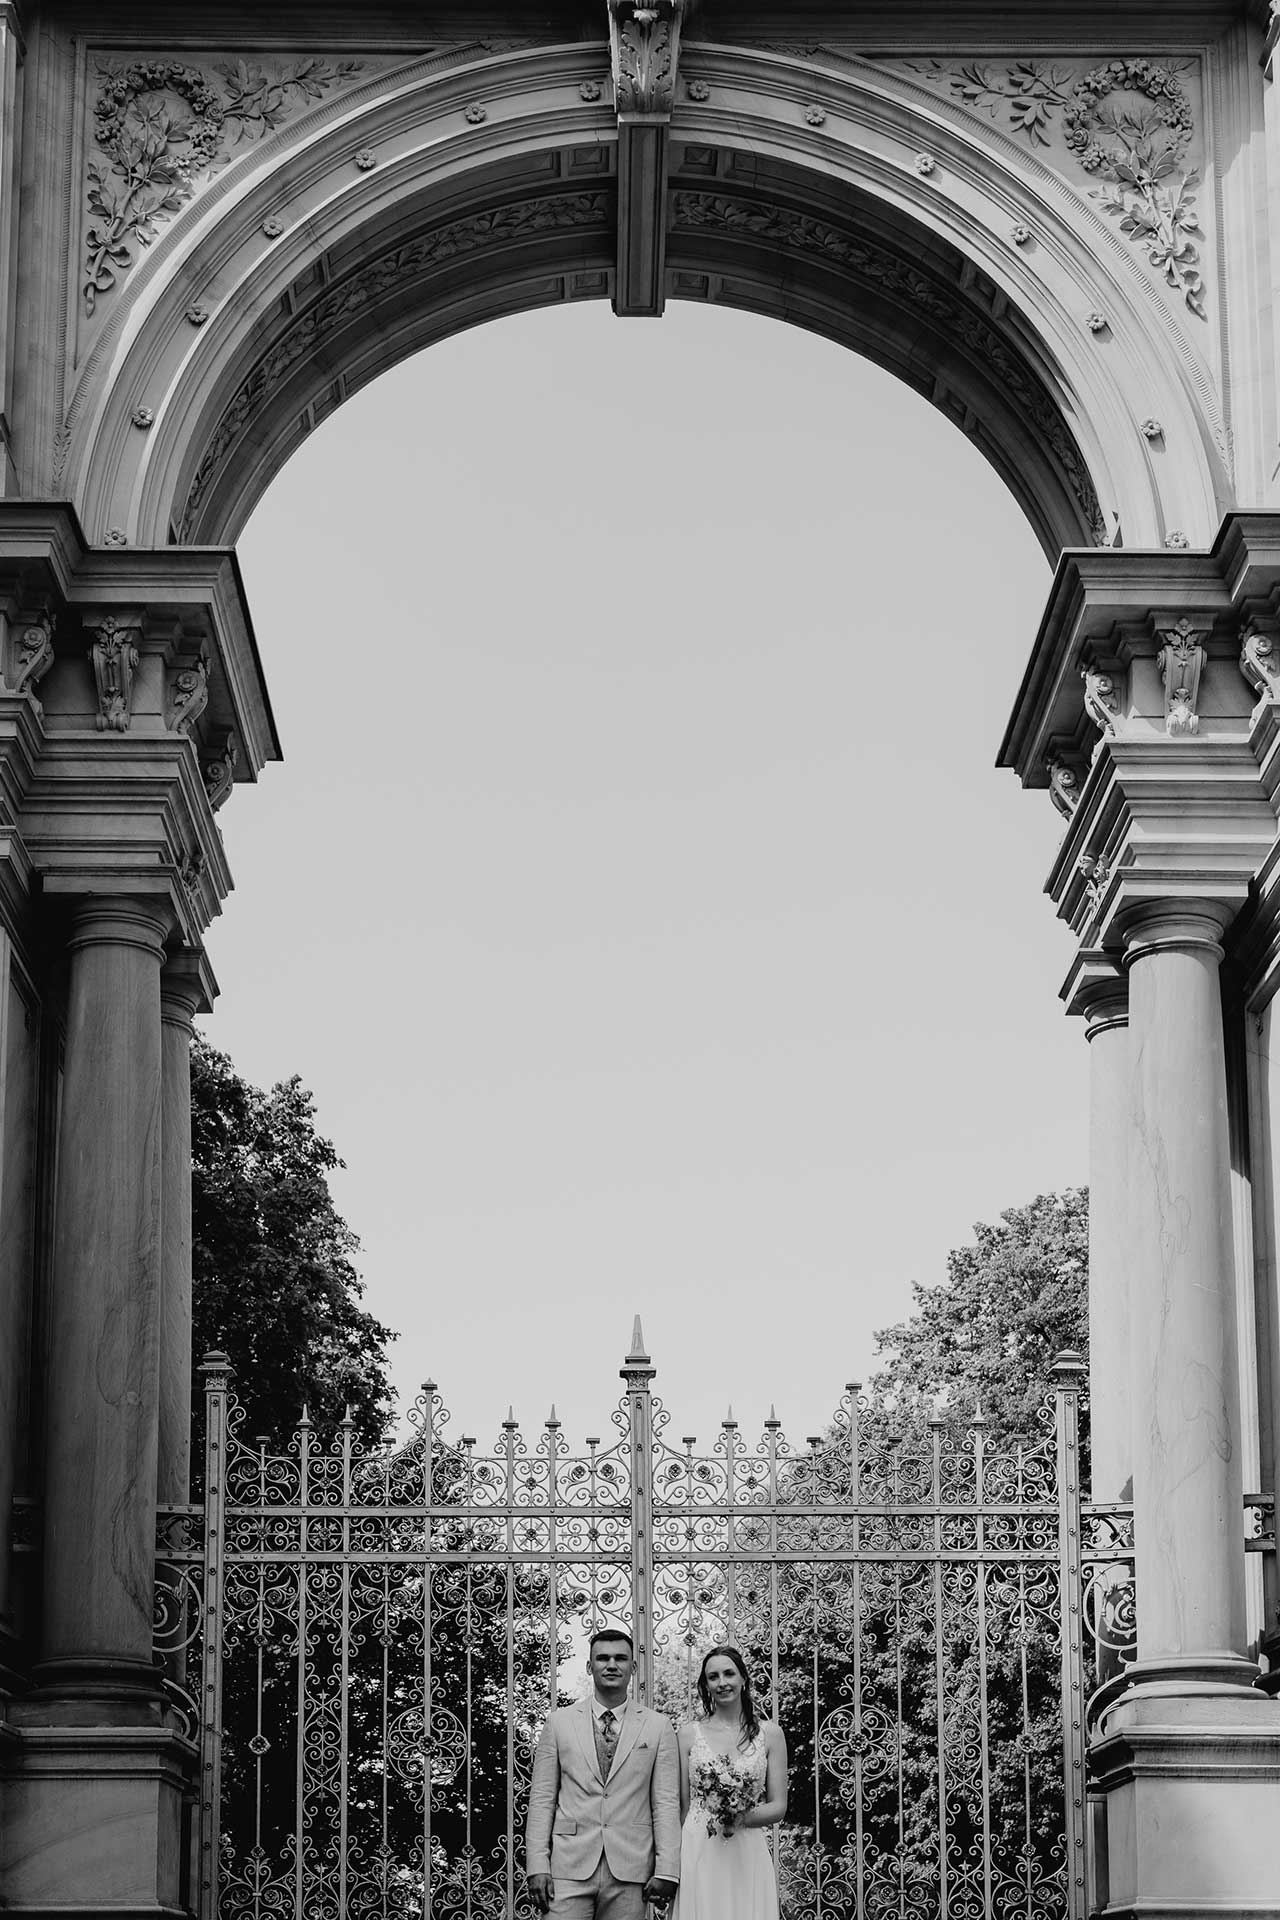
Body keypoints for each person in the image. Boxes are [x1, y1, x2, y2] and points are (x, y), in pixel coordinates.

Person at [526, 1625, 681, 1917]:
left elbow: (665, 1803)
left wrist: (667, 1869)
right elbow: (542, 1799)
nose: (611, 1665)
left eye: (620, 1658)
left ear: (633, 1667)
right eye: (603, 1658)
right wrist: (537, 1864)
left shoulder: (658, 1726)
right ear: (589, 1666)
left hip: (631, 1869)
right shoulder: (559, 1723)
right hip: (568, 1868)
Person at [672, 1646, 788, 1920]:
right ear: (706, 1684)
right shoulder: (688, 1735)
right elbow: (682, 1806)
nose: (722, 1682)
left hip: (746, 1847)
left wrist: (738, 1815)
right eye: (713, 1677)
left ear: (743, 1679)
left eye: (729, 1674)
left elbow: (779, 1806)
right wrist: (671, 1861)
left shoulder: (771, 1734)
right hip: (698, 1845)